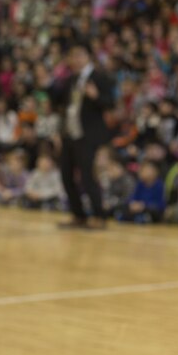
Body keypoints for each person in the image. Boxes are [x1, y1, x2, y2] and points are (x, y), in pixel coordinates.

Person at [54, 42, 115, 229]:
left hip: (88, 136)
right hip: (69, 134)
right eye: (72, 55)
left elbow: (110, 103)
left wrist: (96, 96)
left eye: (79, 55)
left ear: (88, 56)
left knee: (88, 177)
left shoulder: (99, 77)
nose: (75, 59)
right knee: (66, 176)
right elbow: (63, 106)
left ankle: (99, 216)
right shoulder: (71, 79)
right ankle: (78, 215)